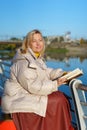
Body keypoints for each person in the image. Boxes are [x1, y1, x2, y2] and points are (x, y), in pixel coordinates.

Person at [1, 29, 74, 130]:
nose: (38, 43)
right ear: (28, 44)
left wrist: (63, 74)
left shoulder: (35, 58)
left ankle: (60, 125)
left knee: (59, 96)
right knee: (58, 100)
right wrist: (55, 84)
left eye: (40, 40)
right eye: (34, 41)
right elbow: (33, 86)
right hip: (19, 101)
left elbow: (47, 72)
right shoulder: (24, 62)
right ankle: (58, 126)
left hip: (26, 96)